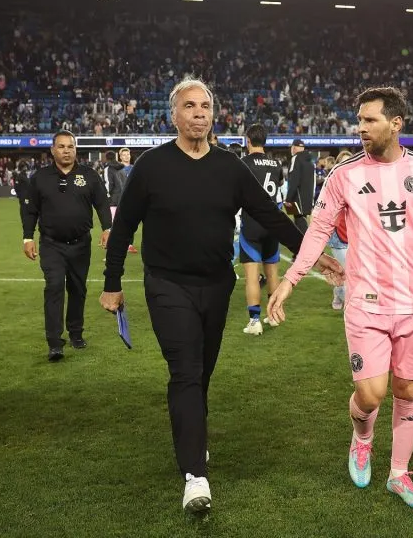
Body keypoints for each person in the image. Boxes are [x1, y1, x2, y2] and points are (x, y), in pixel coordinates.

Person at [99, 79, 342, 516]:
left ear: (214, 114)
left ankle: (194, 436)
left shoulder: (230, 167)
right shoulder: (151, 166)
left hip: (216, 285)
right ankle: (194, 475)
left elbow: (270, 215)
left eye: (205, 106)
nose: (198, 113)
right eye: (189, 106)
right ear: (173, 115)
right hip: (167, 285)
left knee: (202, 373)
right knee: (186, 372)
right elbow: (123, 229)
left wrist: (312, 254)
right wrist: (112, 282)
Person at [267, 87, 413, 510]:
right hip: (365, 302)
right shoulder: (344, 175)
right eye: (359, 120)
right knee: (371, 394)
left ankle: (399, 474)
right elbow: (319, 229)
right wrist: (291, 279)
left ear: (396, 124)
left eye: (370, 120)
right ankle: (362, 439)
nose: (360, 128)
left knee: (408, 389)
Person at [21, 131, 113, 361]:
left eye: (70, 146)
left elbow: (102, 203)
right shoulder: (40, 177)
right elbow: (30, 210)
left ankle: (76, 332)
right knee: (53, 287)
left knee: (78, 289)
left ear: (75, 149)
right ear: (52, 150)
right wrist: (27, 237)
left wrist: (107, 228)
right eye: (61, 146)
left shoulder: (89, 175)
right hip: (51, 244)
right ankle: (54, 342)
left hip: (81, 244)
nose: (66, 150)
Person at [238, 124, 286, 335]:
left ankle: (254, 321)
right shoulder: (276, 164)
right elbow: (280, 192)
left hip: (252, 222)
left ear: (248, 140)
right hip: (272, 224)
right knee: (273, 272)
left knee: (251, 275)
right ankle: (274, 315)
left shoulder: (243, 163)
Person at [327, 150, 355, 310]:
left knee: (350, 271)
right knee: (345, 271)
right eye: (343, 162)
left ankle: (338, 293)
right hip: (338, 234)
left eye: (349, 161)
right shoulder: (332, 183)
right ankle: (349, 305)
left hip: (356, 234)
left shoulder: (360, 183)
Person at [103, 150, 138, 254]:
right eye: (124, 154)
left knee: (113, 226)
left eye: (128, 154)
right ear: (119, 157)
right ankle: (125, 245)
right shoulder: (122, 169)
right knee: (124, 224)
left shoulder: (110, 169)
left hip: (114, 201)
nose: (126, 156)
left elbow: (108, 185)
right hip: (125, 200)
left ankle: (113, 250)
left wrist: (105, 198)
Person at [285, 138, 315, 232]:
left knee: (300, 223)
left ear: (294, 148)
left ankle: (307, 245)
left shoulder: (295, 158)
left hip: (297, 198)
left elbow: (294, 180)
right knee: (301, 222)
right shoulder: (310, 161)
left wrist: (288, 198)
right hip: (308, 197)